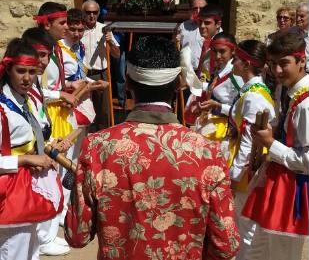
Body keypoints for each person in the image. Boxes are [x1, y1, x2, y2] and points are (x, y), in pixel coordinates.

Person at [64, 35, 240, 259]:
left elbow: (76, 234)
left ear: (127, 82)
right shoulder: (208, 152)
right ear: (178, 85)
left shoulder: (98, 146)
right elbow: (227, 243)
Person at [242, 32, 308, 260]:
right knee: (256, 253)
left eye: (284, 64)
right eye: (272, 65)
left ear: (302, 61)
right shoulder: (290, 94)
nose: (278, 71)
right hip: (277, 184)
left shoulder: (307, 104)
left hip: (291, 192)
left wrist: (271, 144)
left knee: (281, 255)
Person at [0, 39, 62, 260]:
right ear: (8, 69)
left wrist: (47, 146)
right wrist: (26, 160)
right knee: (13, 251)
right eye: (20, 71)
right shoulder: (1, 110)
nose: (27, 78)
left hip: (28, 188)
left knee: (30, 250)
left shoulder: (28, 99)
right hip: (10, 191)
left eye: (32, 72)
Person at [22, 27, 72, 256]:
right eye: (40, 54)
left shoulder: (34, 85)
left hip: (41, 150)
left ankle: (45, 237)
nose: (44, 61)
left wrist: (52, 139)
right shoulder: (18, 88)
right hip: (26, 158)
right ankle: (43, 238)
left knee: (48, 194)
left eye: (47, 55)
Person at [227, 39, 275, 260]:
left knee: (245, 227)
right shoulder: (252, 91)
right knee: (242, 226)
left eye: (236, 59)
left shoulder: (254, 96)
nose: (232, 62)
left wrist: (236, 176)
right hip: (248, 167)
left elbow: (249, 140)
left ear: (246, 64)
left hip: (250, 170)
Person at [185, 33, 243, 159]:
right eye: (214, 51)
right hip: (212, 124)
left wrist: (218, 106)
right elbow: (214, 88)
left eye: (222, 52)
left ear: (233, 51)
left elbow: (242, 109)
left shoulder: (236, 75)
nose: (217, 56)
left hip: (224, 129)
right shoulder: (220, 69)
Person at [81, 0, 119, 131]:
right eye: (88, 12)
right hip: (83, 75)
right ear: (83, 13)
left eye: (95, 12)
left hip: (101, 74)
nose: (92, 16)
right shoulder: (78, 30)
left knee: (104, 112)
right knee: (84, 109)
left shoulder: (104, 29)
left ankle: (103, 138)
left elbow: (117, 54)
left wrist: (111, 42)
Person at [178, 0, 208, 71]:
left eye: (201, 8)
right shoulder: (183, 26)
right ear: (191, 10)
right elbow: (177, 47)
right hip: (187, 71)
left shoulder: (214, 28)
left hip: (206, 73)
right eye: (195, 8)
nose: (198, 11)